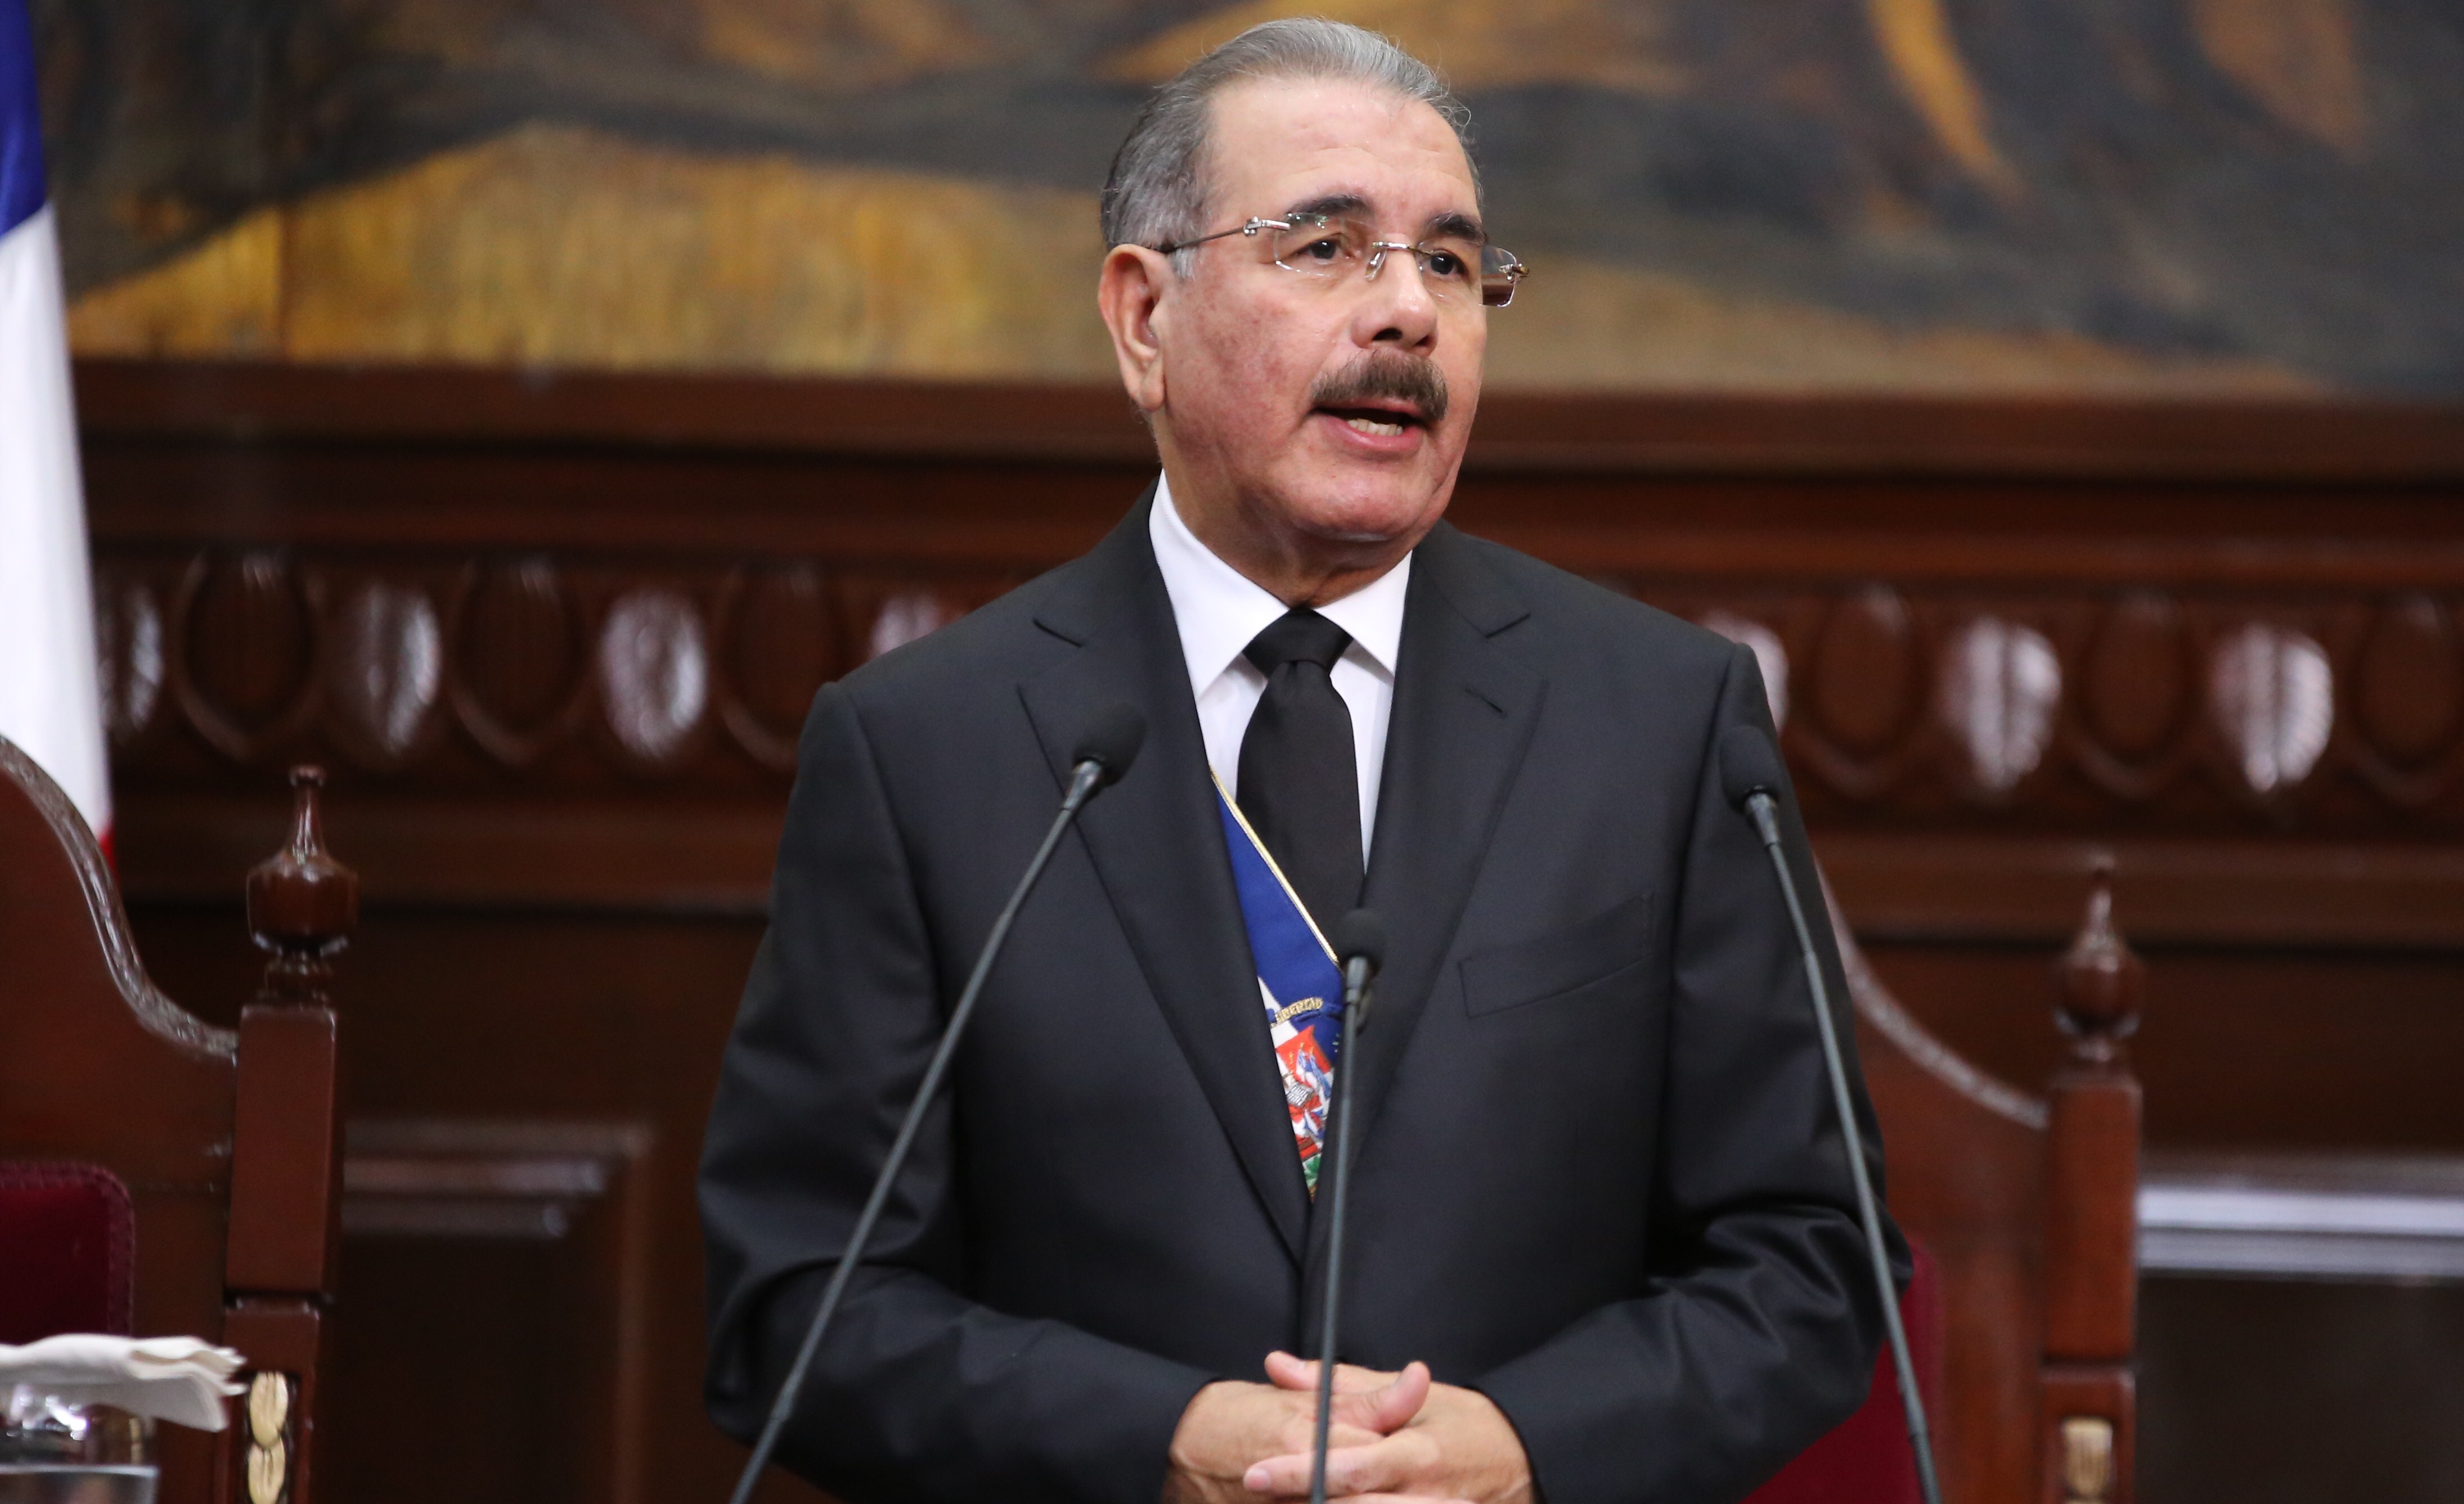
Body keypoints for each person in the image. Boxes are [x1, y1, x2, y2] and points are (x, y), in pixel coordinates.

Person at [699, 20, 1898, 1504]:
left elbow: (1811, 1260)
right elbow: (796, 1307)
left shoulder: (1657, 720)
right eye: (1326, 247)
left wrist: (1529, 1449)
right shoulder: (928, 750)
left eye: (1451, 264)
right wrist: (1156, 1441)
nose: (1407, 313)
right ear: (1144, 318)